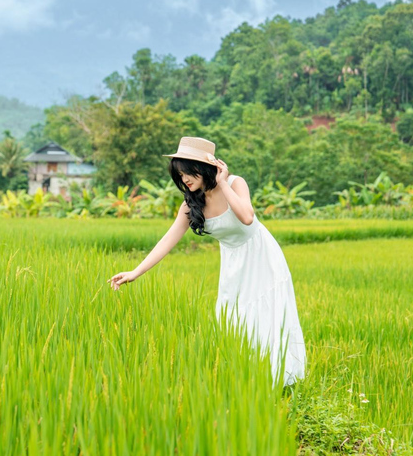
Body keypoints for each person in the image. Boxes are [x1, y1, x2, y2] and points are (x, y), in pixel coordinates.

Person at [108, 136, 306, 386]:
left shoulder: (235, 183)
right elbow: (167, 241)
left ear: (203, 168)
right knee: (231, 318)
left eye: (187, 173)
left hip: (261, 256)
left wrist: (223, 183)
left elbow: (246, 217)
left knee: (266, 315)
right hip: (233, 263)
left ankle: (277, 380)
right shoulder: (191, 203)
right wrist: (135, 272)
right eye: (179, 175)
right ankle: (247, 379)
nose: (184, 180)